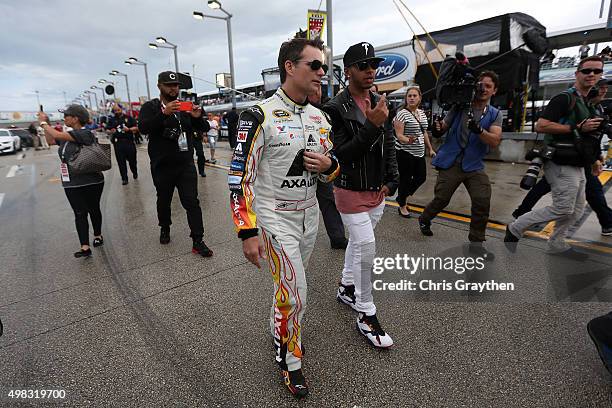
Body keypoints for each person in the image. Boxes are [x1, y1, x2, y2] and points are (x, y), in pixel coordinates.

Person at [229, 37, 339, 398]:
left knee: (288, 291)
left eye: (323, 66)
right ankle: (290, 360)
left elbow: (328, 172)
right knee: (297, 295)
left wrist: (330, 166)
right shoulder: (258, 115)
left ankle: (281, 331)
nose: (322, 72)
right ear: (290, 67)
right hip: (276, 221)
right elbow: (239, 177)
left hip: (310, 219)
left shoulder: (320, 117)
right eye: (315, 65)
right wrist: (247, 231)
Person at [323, 42, 399, 348]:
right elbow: (341, 155)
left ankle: (346, 286)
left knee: (357, 243)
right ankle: (366, 313)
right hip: (349, 189)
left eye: (374, 65)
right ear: (349, 70)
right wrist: (371, 125)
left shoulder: (379, 101)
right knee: (366, 248)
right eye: (363, 65)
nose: (371, 70)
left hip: (377, 190)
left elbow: (390, 141)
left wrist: (392, 179)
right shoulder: (334, 109)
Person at [505, 57, 606, 258]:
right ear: (577, 73)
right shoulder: (564, 98)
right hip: (560, 162)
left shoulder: (587, 102)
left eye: (596, 71)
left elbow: (587, 137)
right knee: (562, 209)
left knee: (576, 210)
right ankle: (516, 228)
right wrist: (575, 127)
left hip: (578, 163)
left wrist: (595, 159)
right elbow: (540, 125)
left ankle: (557, 243)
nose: (592, 75)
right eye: (587, 71)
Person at [418, 71, 502, 259]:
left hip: (474, 165)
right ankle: (425, 219)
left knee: (482, 200)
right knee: (442, 198)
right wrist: (438, 127)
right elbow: (443, 127)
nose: (482, 89)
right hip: (451, 162)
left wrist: (480, 131)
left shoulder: (495, 115)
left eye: (488, 86)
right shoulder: (460, 107)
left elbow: (495, 140)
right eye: (480, 84)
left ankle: (476, 244)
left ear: (494, 91)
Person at [138, 71, 213, 257]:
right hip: (162, 165)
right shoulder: (151, 107)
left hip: (185, 164)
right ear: (159, 86)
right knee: (164, 200)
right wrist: (163, 114)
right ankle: (164, 227)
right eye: (169, 85)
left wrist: (196, 116)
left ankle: (198, 240)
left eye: (176, 85)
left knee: (192, 202)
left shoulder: (185, 107)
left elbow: (204, 128)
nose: (173, 88)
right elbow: (143, 128)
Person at [37, 105, 104, 258]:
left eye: (67, 115)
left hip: (91, 181)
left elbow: (57, 135)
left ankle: (98, 235)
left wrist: (43, 123)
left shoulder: (84, 133)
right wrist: (46, 123)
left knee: (93, 209)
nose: (64, 118)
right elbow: (52, 140)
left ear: (75, 118)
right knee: (79, 213)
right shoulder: (67, 137)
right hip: (71, 182)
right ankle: (85, 246)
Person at [308, 84, 348, 249]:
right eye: (313, 87)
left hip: (323, 165)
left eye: (318, 87)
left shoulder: (326, 112)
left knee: (329, 200)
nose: (316, 90)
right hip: (297, 169)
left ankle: (337, 237)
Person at [393, 85, 435, 218]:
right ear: (406, 99)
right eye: (409, 96)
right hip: (405, 152)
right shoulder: (402, 114)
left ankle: (401, 196)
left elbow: (424, 133)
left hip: (419, 152)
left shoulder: (422, 113)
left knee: (421, 177)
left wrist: (430, 149)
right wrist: (408, 140)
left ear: (419, 98)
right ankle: (402, 205)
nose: (411, 98)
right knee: (405, 179)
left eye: (414, 96)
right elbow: (399, 135)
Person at [106, 104, 138, 185]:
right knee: (121, 162)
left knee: (132, 161)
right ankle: (124, 178)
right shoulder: (112, 119)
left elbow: (136, 128)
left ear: (121, 109)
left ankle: (134, 171)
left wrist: (129, 129)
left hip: (129, 142)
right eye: (115, 110)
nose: (117, 112)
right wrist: (110, 131)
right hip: (118, 143)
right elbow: (107, 129)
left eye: (118, 110)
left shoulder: (129, 118)